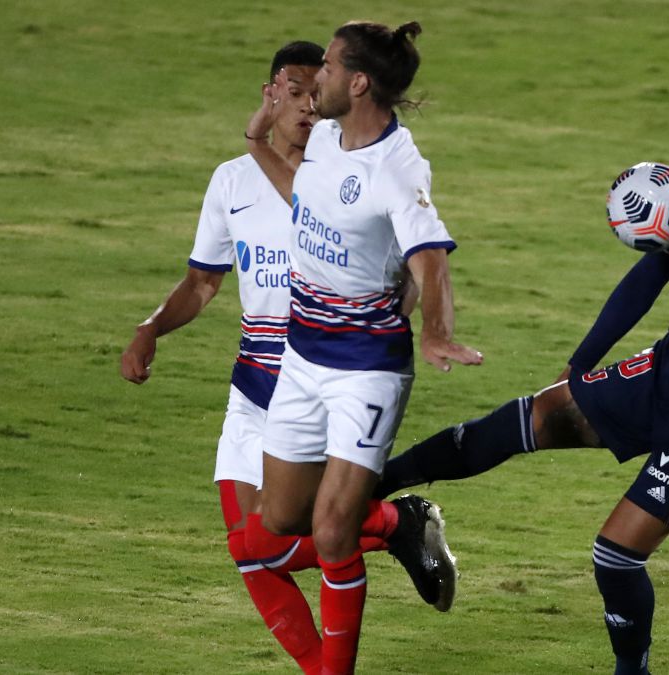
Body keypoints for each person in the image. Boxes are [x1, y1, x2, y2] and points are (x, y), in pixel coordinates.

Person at [373, 73, 669, 674]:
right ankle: (375, 487)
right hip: (660, 375)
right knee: (533, 414)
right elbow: (644, 283)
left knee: (615, 555)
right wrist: (580, 362)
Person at [119, 42, 450, 675]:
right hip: (254, 389)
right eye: (291, 91)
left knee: (296, 537)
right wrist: (150, 329)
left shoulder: (347, 172)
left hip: (325, 381)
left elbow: (419, 257)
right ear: (271, 94)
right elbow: (201, 281)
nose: (303, 104)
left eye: (313, 89)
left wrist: (399, 321)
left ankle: (378, 526)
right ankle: (391, 523)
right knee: (252, 553)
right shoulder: (235, 181)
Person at [241, 20, 482, 674]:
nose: (312, 75)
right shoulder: (322, 138)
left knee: (330, 531)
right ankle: (401, 524)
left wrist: (434, 329)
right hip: (302, 357)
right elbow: (308, 204)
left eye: (325, 65)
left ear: (358, 81)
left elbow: (431, 258)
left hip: (366, 372)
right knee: (283, 518)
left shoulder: (398, 169)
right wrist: (258, 138)